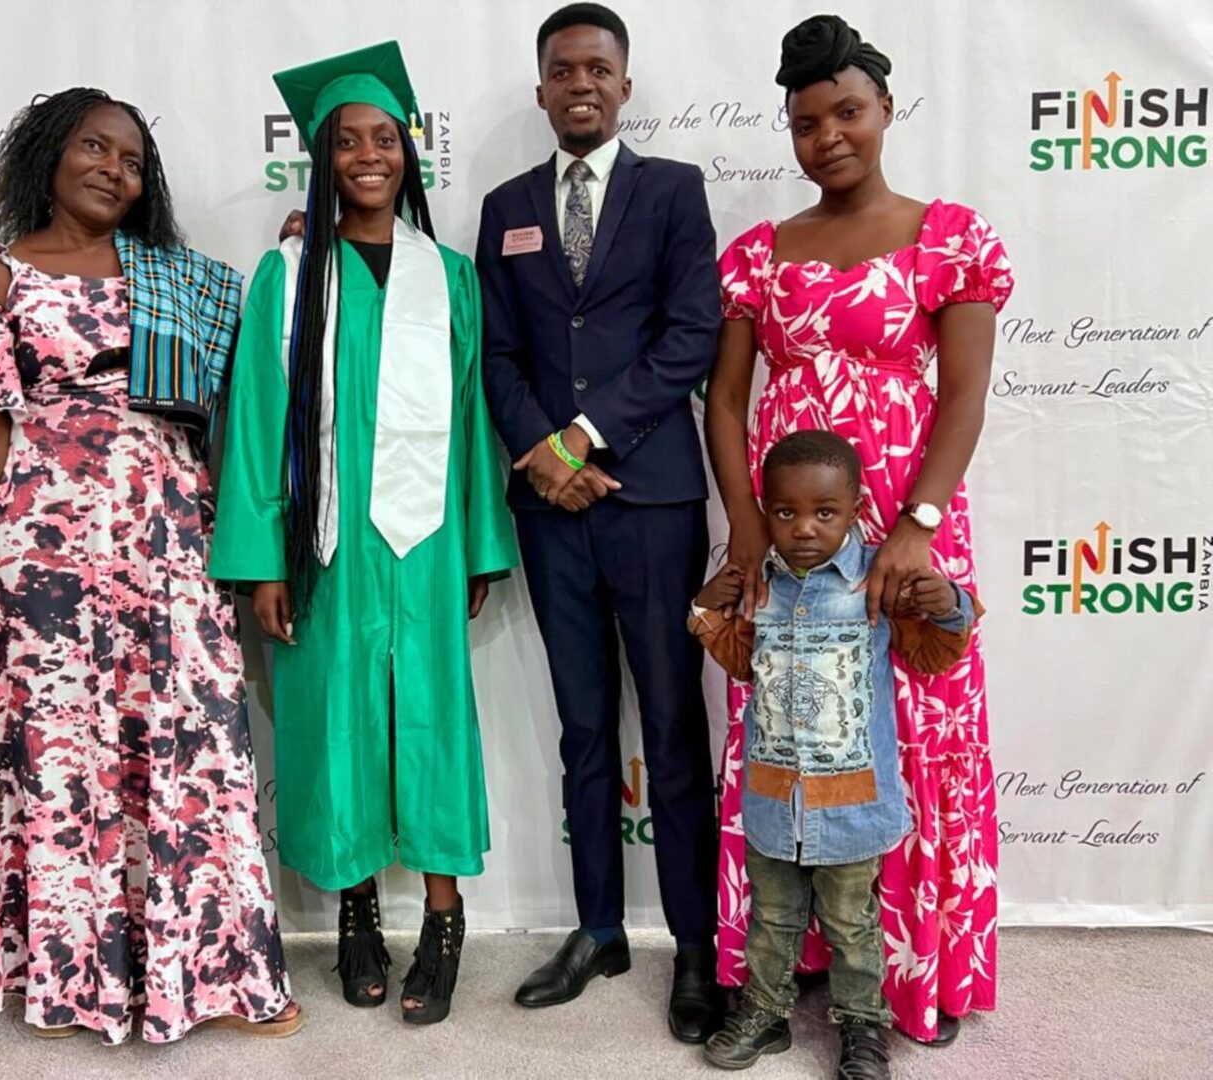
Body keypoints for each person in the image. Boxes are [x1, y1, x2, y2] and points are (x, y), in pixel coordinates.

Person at [0, 88, 299, 1044]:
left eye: (132, 161)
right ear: (49, 154)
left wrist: (301, 259)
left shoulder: (178, 278)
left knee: (193, 753)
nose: (113, 170)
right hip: (40, 567)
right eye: (94, 147)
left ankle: (212, 974)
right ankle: (66, 978)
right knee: (60, 760)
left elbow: (254, 393)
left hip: (169, 551)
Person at [703, 14, 1014, 1047]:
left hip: (906, 526)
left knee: (912, 732)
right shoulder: (756, 254)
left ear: (885, 112)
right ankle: (785, 976)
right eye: (805, 121)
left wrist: (918, 525)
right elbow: (726, 404)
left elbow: (965, 396)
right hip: (791, 534)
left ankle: (906, 979)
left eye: (848, 112)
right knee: (791, 722)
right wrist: (745, 531)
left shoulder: (951, 238)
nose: (828, 135)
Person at [210, 42, 518, 1026]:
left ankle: (442, 917)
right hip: (325, 547)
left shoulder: (453, 278)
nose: (369, 156)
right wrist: (262, 559)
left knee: (429, 723)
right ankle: (353, 915)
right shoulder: (289, 274)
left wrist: (476, 542)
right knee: (336, 722)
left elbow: (471, 422)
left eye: (386, 139)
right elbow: (257, 424)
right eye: (349, 142)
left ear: (409, 154)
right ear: (322, 157)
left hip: (423, 545)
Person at [475, 3, 724, 1042]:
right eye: (563, 69)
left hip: (650, 496)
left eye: (599, 68)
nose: (581, 83)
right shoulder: (505, 205)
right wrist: (544, 451)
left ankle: (698, 949)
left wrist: (584, 438)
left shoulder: (673, 191)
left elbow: (692, 335)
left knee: (670, 728)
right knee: (584, 727)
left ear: (626, 86)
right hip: (549, 507)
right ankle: (595, 927)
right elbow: (496, 352)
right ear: (541, 89)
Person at [690, 431, 981, 1077]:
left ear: (855, 508)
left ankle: (862, 1029)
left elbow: (935, 654)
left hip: (850, 804)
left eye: (824, 513)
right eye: (785, 512)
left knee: (853, 926)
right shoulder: (756, 585)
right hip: (772, 798)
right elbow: (742, 666)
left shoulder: (879, 580)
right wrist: (707, 609)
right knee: (771, 920)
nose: (802, 529)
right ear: (765, 510)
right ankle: (765, 1014)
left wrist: (950, 606)